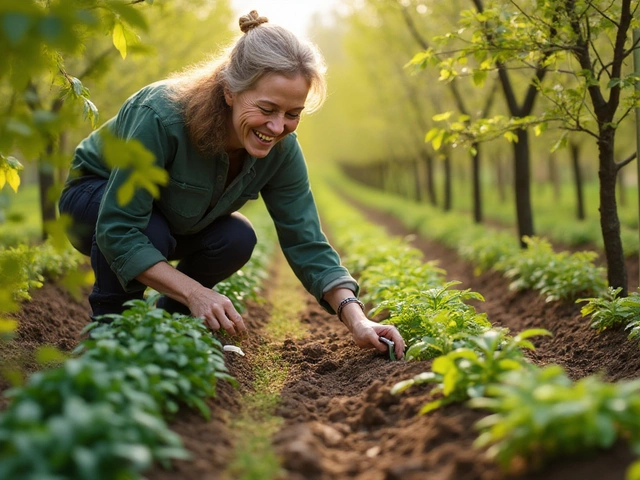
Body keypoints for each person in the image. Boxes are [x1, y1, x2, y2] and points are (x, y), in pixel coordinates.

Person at [58, 10, 405, 359]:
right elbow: (119, 228)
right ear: (229, 91)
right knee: (149, 228)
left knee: (236, 237)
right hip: (94, 202)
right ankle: (110, 332)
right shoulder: (161, 114)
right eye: (267, 108)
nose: (277, 126)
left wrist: (358, 320)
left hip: (168, 219)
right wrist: (196, 292)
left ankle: (173, 326)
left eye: (292, 114)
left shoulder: (281, 150)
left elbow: (307, 240)